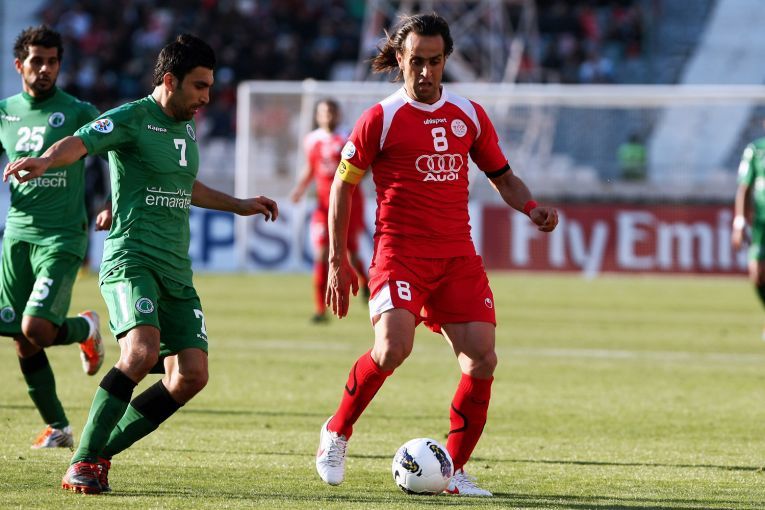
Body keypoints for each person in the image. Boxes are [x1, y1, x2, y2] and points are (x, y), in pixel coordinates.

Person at [4, 34, 279, 495]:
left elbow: (183, 184)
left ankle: (98, 454)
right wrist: (47, 162)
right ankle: (82, 460)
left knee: (191, 376)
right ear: (170, 80)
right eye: (199, 86)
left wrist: (239, 204)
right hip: (131, 258)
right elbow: (79, 142)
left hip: (176, 267)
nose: (206, 97)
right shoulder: (131, 117)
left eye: (209, 86)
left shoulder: (185, 124)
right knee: (141, 353)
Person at [315, 13, 558, 497]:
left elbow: (503, 177)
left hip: (456, 258)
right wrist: (338, 261)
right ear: (399, 59)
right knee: (392, 349)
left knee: (482, 360)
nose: (425, 72)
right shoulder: (381, 118)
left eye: (435, 61)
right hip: (399, 254)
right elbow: (343, 187)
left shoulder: (469, 114)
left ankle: (454, 472)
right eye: (416, 62)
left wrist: (531, 208)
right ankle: (337, 432)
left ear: (446, 59)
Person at [0, 25, 107, 450]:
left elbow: (119, 152)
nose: (44, 69)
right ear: (19, 65)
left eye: (52, 61)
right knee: (20, 336)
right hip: (17, 236)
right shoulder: (5, 112)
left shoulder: (79, 111)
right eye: (36, 61)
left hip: (62, 235)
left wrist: (112, 201)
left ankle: (85, 327)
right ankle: (58, 427)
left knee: (37, 328)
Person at [290, 99, 368, 323]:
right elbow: (311, 167)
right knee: (322, 254)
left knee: (351, 252)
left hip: (349, 203)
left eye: (332, 112)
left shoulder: (348, 137)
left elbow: (366, 166)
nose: (328, 116)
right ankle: (320, 310)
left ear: (338, 114)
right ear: (317, 116)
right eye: (324, 112)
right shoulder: (311, 140)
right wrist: (300, 189)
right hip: (323, 206)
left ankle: (365, 281)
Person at [732, 133, 765, 340]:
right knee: (757, 274)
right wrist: (739, 223)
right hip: (761, 223)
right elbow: (744, 188)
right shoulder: (756, 150)